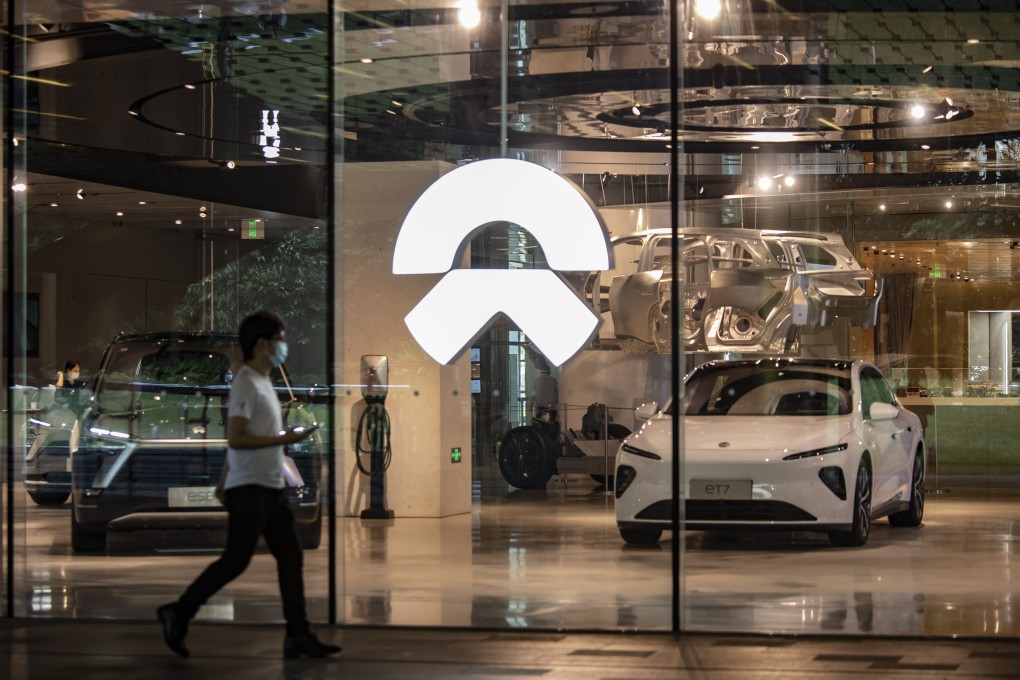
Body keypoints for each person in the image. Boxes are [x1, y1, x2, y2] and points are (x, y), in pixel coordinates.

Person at [157, 311, 340, 660]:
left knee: (290, 557)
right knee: (235, 561)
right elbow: (238, 437)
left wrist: (225, 478)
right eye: (280, 339)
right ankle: (178, 612)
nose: (284, 345)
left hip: (269, 486)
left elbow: (243, 440)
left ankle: (298, 635)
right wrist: (283, 437)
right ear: (262, 344)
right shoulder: (245, 381)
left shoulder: (263, 382)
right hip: (253, 488)